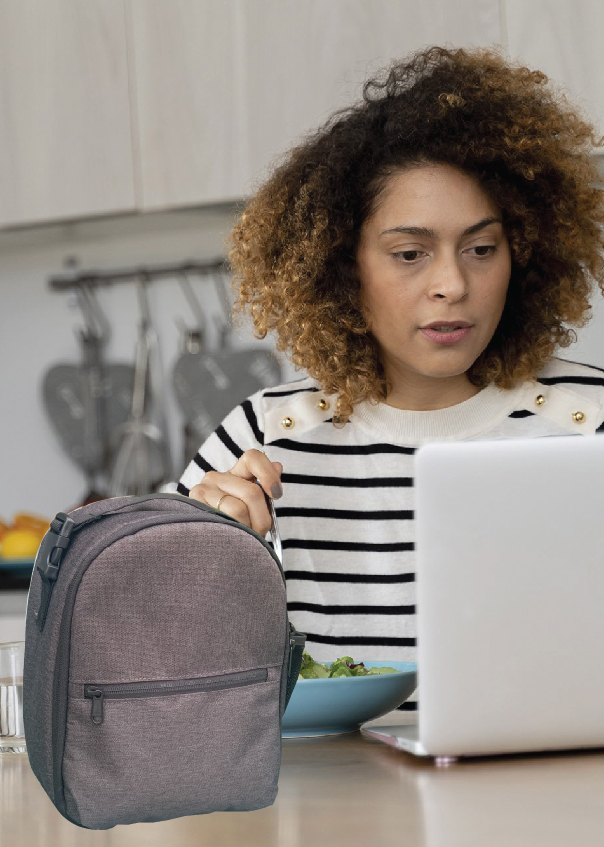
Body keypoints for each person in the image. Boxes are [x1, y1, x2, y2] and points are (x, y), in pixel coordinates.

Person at [178, 45, 604, 711]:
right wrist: (195, 553)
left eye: (481, 248)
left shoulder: (591, 418)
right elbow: (147, 654)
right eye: (410, 254)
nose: (452, 284)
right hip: (330, 781)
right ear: (343, 266)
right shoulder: (262, 436)